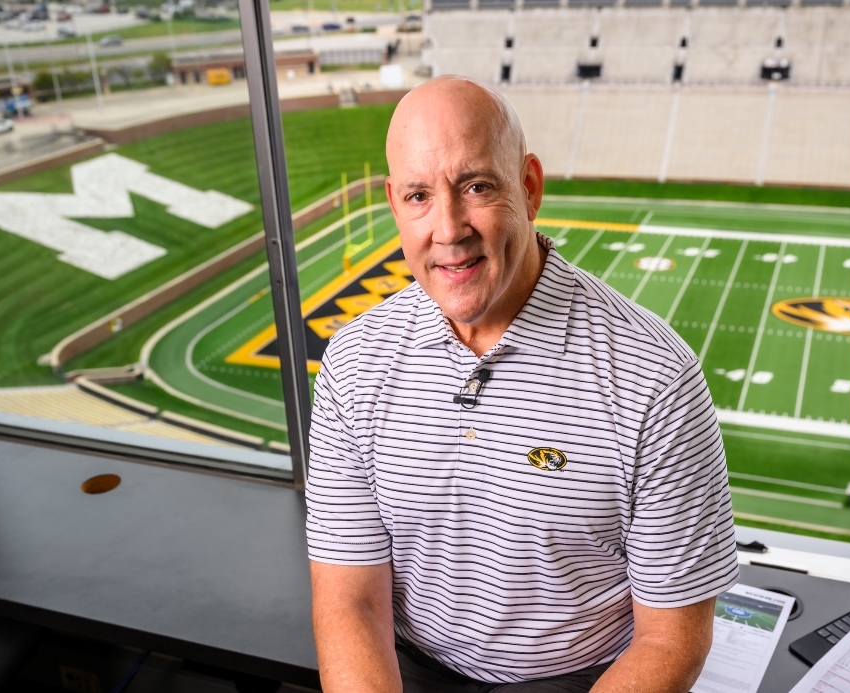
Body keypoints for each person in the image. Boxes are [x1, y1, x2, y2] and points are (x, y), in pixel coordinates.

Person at [306, 76, 739, 693]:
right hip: (409, 669)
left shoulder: (655, 379)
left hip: (585, 679)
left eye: (476, 186)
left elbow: (672, 638)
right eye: (419, 195)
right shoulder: (355, 360)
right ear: (395, 204)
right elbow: (351, 602)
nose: (449, 229)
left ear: (529, 187)